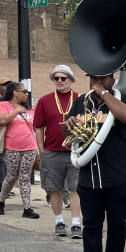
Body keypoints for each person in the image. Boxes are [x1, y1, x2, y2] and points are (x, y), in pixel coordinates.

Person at [62, 71, 126, 252]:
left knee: (116, 224)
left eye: (102, 77)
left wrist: (104, 93)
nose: (96, 81)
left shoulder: (123, 99)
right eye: (93, 77)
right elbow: (72, 132)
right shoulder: (80, 102)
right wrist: (70, 123)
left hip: (118, 174)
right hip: (89, 176)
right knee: (91, 226)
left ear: (112, 79)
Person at [33, 65, 82, 238]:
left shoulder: (80, 99)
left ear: (71, 80)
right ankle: (59, 221)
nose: (59, 81)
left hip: (75, 152)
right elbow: (38, 127)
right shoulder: (45, 100)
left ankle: (76, 224)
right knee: (55, 189)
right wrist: (42, 150)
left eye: (63, 78)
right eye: (56, 78)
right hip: (52, 152)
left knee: (76, 189)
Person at [0, 81, 40, 219]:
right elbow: (2, 120)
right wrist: (16, 111)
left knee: (25, 177)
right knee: (11, 177)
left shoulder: (30, 108)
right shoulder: (3, 105)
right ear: (15, 92)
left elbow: (36, 126)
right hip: (11, 148)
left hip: (30, 147)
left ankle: (27, 208)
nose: (27, 94)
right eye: (24, 92)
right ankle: (1, 201)